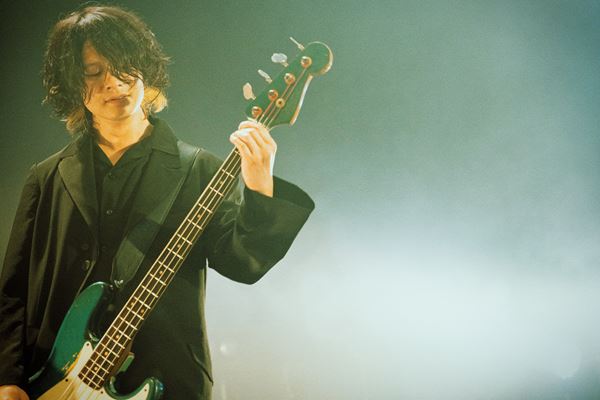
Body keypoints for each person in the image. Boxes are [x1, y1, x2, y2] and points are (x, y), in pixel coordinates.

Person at [0, 5, 314, 400]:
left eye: (123, 66)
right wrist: (7, 377)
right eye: (93, 72)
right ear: (71, 85)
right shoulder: (47, 177)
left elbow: (242, 263)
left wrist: (259, 186)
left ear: (145, 69)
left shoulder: (199, 170)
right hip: (53, 382)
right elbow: (13, 292)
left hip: (167, 380)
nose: (113, 82)